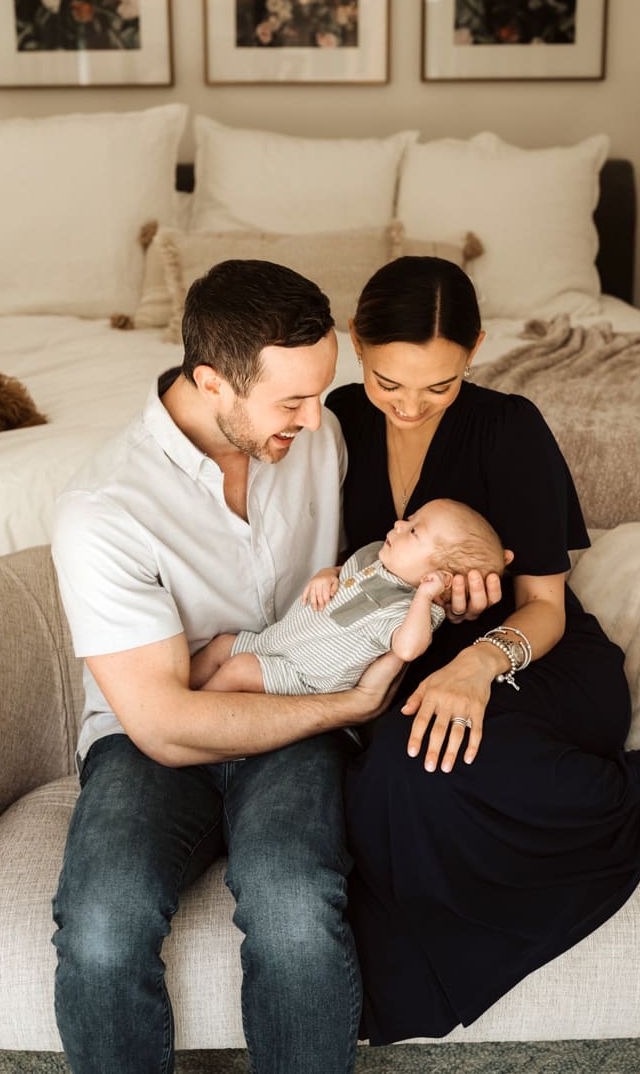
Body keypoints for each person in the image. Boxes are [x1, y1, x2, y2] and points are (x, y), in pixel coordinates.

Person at [330, 256, 640, 1045]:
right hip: (410, 659)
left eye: (437, 386)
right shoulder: (337, 420)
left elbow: (544, 604)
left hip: (533, 660)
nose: (408, 407)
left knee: (417, 770)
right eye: (387, 382)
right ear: (355, 345)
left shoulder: (509, 429)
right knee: (384, 794)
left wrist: (478, 662)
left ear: (473, 350)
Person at [48, 259, 403, 1074]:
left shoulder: (321, 439)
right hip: (152, 744)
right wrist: (345, 709)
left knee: (294, 907)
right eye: (292, 402)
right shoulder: (104, 509)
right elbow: (166, 726)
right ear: (212, 382)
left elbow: (369, 573)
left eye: (322, 393)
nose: (317, 422)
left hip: (286, 730)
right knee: (102, 924)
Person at [188, 498, 508, 696]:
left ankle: (196, 721)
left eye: (413, 531)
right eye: (410, 518)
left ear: (436, 577)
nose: (399, 523)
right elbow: (345, 574)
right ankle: (172, 692)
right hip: (278, 643)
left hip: (307, 675)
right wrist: (326, 574)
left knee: (239, 669)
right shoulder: (378, 559)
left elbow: (408, 648)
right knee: (220, 646)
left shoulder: (409, 608)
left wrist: (425, 597)